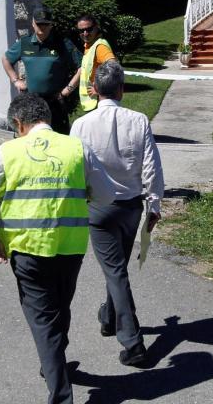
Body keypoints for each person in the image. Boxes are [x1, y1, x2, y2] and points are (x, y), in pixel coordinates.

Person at [0, 93, 118, 404]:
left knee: (43, 319)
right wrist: (82, 194)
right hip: (70, 247)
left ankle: (60, 394)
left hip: (27, 249)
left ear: (18, 123)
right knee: (60, 308)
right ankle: (53, 365)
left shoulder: (9, 151)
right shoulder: (76, 148)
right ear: (47, 117)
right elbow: (107, 195)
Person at [69, 60, 164, 367]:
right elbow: (152, 166)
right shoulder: (139, 120)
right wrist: (154, 204)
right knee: (117, 269)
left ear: (95, 90)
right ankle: (109, 317)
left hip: (99, 208)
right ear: (121, 89)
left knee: (116, 271)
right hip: (131, 206)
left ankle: (133, 342)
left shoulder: (81, 125)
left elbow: (75, 169)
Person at [2, 9, 81, 134]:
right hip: (31, 102)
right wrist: (15, 80)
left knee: (58, 137)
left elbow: (82, 67)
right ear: (33, 23)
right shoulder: (25, 43)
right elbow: (6, 59)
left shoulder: (63, 43)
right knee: (30, 136)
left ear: (51, 25)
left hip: (55, 102)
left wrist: (68, 90)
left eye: (45, 24)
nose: (42, 27)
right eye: (39, 24)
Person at [71, 15, 115, 113]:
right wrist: (66, 92)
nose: (85, 33)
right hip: (93, 103)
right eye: (81, 31)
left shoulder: (100, 47)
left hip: (99, 103)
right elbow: (83, 71)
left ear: (96, 28)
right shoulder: (89, 46)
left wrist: (101, 90)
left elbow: (114, 68)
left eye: (89, 29)